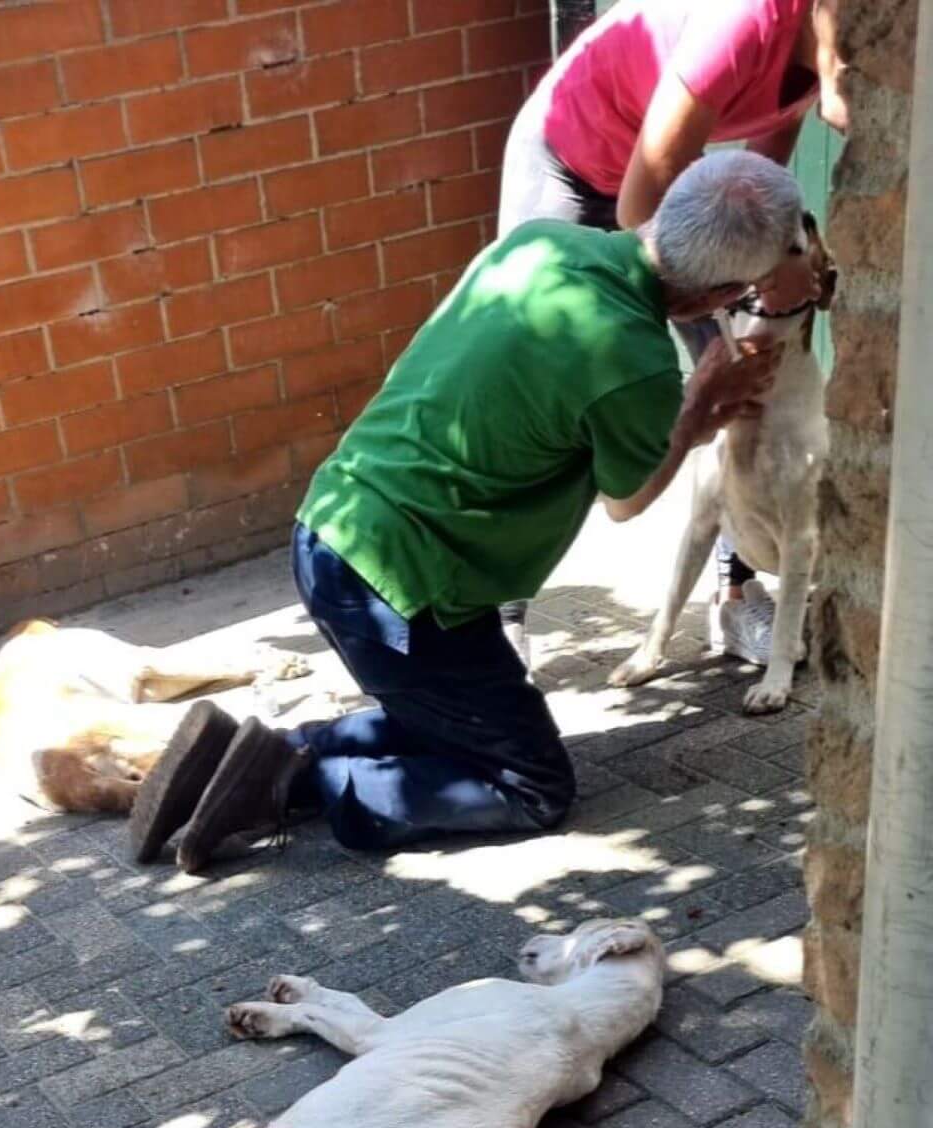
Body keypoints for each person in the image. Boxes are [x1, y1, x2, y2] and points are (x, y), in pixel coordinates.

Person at [130, 150, 801, 875]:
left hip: (330, 527)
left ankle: (254, 751)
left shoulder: (541, 240)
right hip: (409, 590)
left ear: (665, 209)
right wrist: (697, 407)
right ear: (713, 297)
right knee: (533, 784)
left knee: (448, 717)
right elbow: (626, 500)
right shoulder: (633, 358)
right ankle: (291, 781)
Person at [498, 0, 848, 664]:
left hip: (658, 192)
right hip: (570, 160)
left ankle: (734, 595)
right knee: (546, 372)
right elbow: (639, 211)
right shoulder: (747, 22)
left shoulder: (812, 55)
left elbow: (761, 184)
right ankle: (499, 614)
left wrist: (783, 262)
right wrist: (743, 290)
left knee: (741, 376)